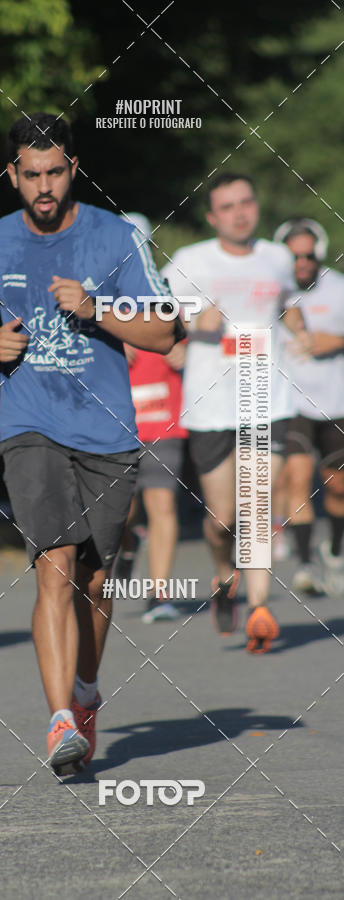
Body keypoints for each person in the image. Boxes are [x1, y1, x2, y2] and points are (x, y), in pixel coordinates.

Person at [0, 113, 180, 775]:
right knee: (54, 561)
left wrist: (97, 310)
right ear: (13, 175)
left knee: (96, 581)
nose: (44, 187)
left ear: (73, 168)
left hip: (107, 429)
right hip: (30, 425)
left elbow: (166, 332)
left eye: (55, 172)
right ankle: (58, 725)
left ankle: (83, 692)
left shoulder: (118, 237)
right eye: (31, 174)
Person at [162, 173, 312, 654]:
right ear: (212, 216)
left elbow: (286, 304)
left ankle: (260, 607)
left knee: (257, 508)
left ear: (256, 206)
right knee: (223, 518)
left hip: (267, 398)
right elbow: (163, 320)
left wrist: (301, 331)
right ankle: (223, 575)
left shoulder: (277, 257)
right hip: (211, 401)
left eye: (246, 202)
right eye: (228, 206)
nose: (240, 212)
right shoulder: (191, 261)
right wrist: (189, 323)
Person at [114, 213, 188, 624]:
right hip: (115, 423)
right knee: (119, 513)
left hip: (163, 419)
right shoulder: (98, 297)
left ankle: (160, 594)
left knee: (162, 504)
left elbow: (192, 340)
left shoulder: (169, 291)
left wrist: (184, 350)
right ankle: (128, 545)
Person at [274, 218, 344, 596]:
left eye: (307, 254)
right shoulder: (275, 290)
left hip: (336, 403)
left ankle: (334, 552)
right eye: (294, 255)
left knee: (337, 488)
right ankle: (304, 565)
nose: (301, 262)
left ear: (318, 252)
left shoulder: (338, 287)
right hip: (293, 400)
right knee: (296, 480)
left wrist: (333, 342)